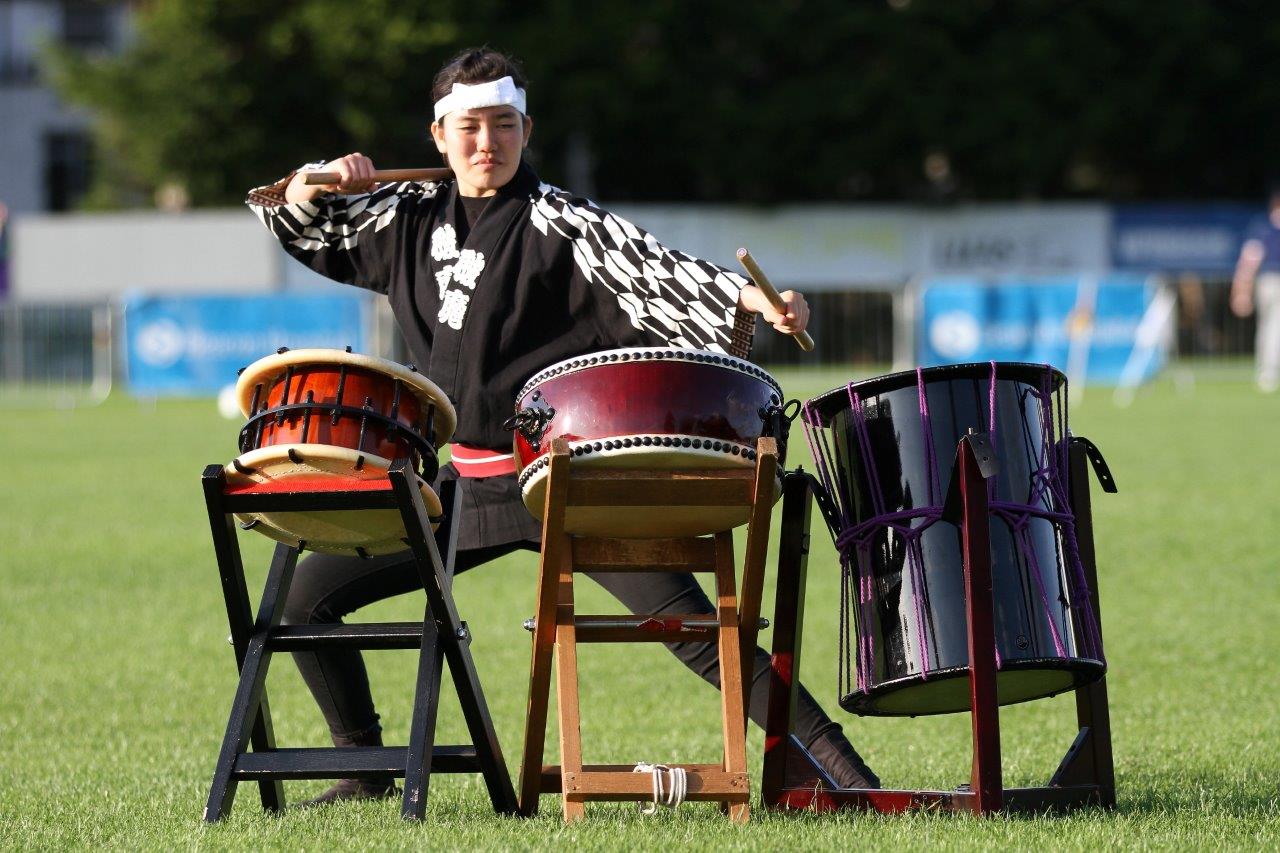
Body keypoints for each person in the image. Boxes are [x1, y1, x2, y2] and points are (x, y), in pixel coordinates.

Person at [247, 46, 878, 806]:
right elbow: (302, 222)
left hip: (562, 479)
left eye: (504, 126)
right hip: (455, 489)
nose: (488, 144)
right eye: (471, 128)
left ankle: (851, 777)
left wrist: (751, 302)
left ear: (527, 129)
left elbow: (657, 271)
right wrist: (320, 179)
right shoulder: (404, 216)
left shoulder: (562, 222)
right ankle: (366, 766)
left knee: (697, 631)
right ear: (439, 136)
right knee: (304, 599)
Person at [1230, 189, 1280, 392]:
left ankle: (1267, 370)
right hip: (1271, 282)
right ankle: (1268, 371)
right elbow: (1249, 262)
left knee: (1271, 327)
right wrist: (1241, 292)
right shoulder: (1264, 230)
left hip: (1268, 283)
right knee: (1273, 327)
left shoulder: (1260, 229)